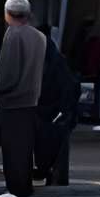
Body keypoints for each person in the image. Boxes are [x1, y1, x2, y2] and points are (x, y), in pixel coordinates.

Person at [0, 0, 47, 197]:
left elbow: (8, 72)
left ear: (7, 14)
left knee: (12, 147)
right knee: (25, 147)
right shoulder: (39, 37)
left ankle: (16, 188)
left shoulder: (13, 34)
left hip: (13, 100)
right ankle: (24, 185)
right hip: (31, 98)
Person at [35, 26, 79, 187]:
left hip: (42, 113)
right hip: (58, 114)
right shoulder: (58, 61)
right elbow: (70, 87)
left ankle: (42, 170)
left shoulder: (36, 58)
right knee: (59, 144)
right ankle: (56, 177)